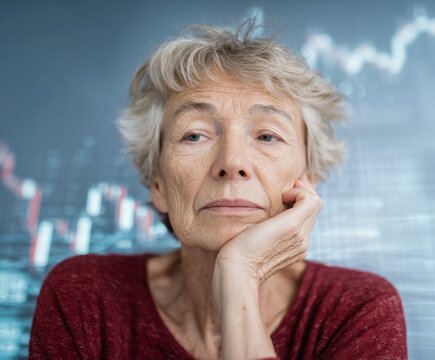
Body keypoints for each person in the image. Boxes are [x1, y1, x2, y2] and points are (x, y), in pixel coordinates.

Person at [29, 18, 407, 359]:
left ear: (308, 180)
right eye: (194, 135)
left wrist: (239, 274)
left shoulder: (359, 308)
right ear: (157, 183)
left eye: (267, 135)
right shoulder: (82, 296)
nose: (232, 162)